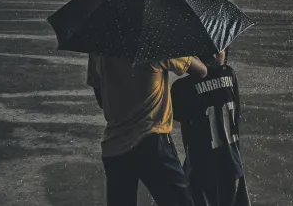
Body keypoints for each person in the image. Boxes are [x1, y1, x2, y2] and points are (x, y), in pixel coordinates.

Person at [88, 52, 208, 206]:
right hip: (153, 142)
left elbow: (101, 100)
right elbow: (201, 71)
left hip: (114, 147)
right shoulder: (155, 47)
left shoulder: (98, 51)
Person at [171, 48, 251, 206]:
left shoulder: (181, 87)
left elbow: (177, 115)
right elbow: (236, 111)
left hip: (201, 165)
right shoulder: (229, 74)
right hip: (231, 160)